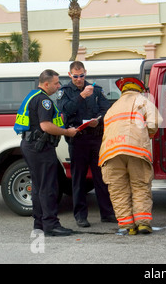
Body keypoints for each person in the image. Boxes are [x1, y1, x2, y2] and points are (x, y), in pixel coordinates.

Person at [15, 69, 78, 236]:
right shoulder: (45, 101)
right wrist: (67, 132)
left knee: (38, 186)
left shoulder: (33, 96)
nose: (59, 86)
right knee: (48, 187)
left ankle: (40, 223)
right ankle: (51, 224)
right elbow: (46, 126)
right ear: (46, 84)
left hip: (31, 145)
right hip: (40, 148)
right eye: (56, 83)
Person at [99, 77, 162, 235]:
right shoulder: (143, 101)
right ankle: (142, 223)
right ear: (139, 89)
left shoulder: (112, 107)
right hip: (136, 150)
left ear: (123, 90)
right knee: (140, 185)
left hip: (110, 151)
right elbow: (154, 123)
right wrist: (144, 135)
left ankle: (128, 226)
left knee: (118, 189)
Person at [57, 61, 115, 228]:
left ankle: (107, 213)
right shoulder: (65, 92)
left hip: (96, 138)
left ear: (85, 73)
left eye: (82, 75)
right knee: (78, 180)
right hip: (78, 140)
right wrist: (81, 96)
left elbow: (106, 110)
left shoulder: (96, 90)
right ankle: (80, 216)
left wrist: (98, 121)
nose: (79, 79)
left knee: (101, 178)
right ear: (70, 75)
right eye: (75, 76)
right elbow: (65, 110)